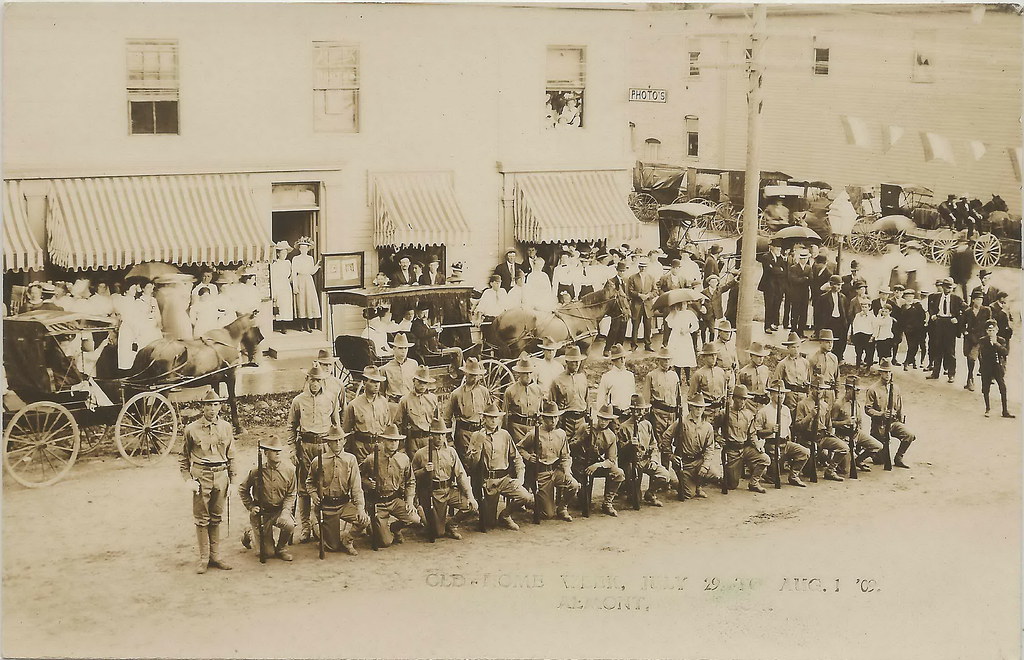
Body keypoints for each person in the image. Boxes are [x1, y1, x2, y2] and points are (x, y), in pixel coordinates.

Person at [179, 390, 237, 573]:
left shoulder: (226, 427)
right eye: (208, 405)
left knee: (216, 517)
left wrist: (233, 481)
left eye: (215, 405)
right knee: (202, 518)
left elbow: (232, 456)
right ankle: (204, 558)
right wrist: (188, 479)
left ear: (220, 406)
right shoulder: (191, 429)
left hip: (221, 475)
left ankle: (216, 556)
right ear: (202, 406)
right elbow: (183, 459)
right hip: (201, 475)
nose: (212, 409)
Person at [288, 365, 342, 542]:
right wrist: (292, 450)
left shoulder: (331, 398)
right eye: (312, 380)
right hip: (305, 446)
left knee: (323, 486)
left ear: (322, 381)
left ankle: (322, 524)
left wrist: (338, 448)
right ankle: (305, 527)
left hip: (324, 446)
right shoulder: (298, 401)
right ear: (307, 380)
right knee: (304, 489)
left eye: (318, 380)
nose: (315, 383)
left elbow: (337, 425)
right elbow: (291, 427)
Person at [463, 403, 535, 531]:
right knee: (489, 524)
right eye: (490, 417)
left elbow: (517, 457)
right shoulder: (476, 436)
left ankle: (505, 515)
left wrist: (520, 477)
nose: (493, 420)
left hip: (504, 479)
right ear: (484, 418)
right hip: (488, 482)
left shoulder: (505, 435)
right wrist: (478, 444)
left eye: (496, 417)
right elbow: (471, 464)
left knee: (526, 497)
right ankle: (487, 514)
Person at [306, 426, 370, 555]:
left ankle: (348, 540)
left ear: (344, 441)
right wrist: (313, 494)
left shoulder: (350, 460)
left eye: (340, 440)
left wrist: (360, 508)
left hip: (344, 503)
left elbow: (356, 487)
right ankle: (317, 526)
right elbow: (309, 482)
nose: (337, 443)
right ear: (328, 442)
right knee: (332, 547)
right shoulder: (318, 461)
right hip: (326, 506)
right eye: (334, 441)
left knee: (364, 520)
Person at [411, 418, 479, 540]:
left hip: (449, 490)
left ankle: (452, 524)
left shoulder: (451, 452)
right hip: (433, 494)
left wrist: (470, 496)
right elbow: (411, 476)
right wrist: (424, 471)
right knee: (438, 533)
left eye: (443, 434)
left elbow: (461, 475)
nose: (440, 438)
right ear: (431, 435)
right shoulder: (421, 454)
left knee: (470, 506)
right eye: (437, 434)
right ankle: (424, 516)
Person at [359, 424, 421, 546]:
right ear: (383, 441)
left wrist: (409, 501)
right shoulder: (371, 459)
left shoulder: (403, 459)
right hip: (378, 503)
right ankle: (375, 527)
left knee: (415, 519)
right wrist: (367, 483)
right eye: (390, 440)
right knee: (385, 542)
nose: (393, 443)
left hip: (394, 500)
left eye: (396, 441)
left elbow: (410, 481)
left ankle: (395, 528)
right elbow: (358, 477)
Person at [519, 401, 580, 522]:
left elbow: (566, 456)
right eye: (550, 418)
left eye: (556, 417)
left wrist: (567, 472)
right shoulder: (534, 433)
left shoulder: (561, 434)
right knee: (548, 514)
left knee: (574, 485)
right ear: (543, 418)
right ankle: (532, 501)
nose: (553, 421)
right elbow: (519, 448)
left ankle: (562, 507)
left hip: (556, 471)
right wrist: (528, 456)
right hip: (541, 475)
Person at [238, 437, 297, 562]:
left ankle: (281, 548)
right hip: (262, 514)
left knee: (290, 524)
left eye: (279, 451)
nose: (278, 453)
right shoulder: (256, 472)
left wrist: (286, 511)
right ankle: (249, 533)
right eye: (274, 451)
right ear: (266, 453)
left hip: (278, 511)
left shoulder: (289, 471)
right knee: (266, 553)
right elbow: (243, 489)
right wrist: (251, 507)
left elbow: (291, 494)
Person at [570, 404, 625, 516]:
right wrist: (582, 438)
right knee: (584, 503)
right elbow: (570, 447)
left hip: (596, 466)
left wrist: (597, 465)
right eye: (601, 418)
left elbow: (611, 460)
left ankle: (607, 503)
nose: (603, 421)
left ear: (610, 421)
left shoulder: (611, 436)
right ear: (597, 417)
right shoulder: (585, 427)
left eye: (606, 419)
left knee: (618, 473)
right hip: (580, 466)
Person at [751, 381, 809, 487]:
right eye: (778, 393)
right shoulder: (764, 411)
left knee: (804, 452)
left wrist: (790, 442)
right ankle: (766, 473)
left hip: (785, 443)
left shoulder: (786, 410)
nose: (781, 396)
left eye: (783, 393)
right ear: (771, 394)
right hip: (771, 444)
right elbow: (757, 432)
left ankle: (794, 476)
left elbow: (788, 427)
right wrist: (770, 430)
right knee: (773, 474)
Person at [619, 394, 672, 506]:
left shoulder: (647, 425)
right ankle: (629, 490)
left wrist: (653, 460)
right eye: (636, 411)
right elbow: (619, 451)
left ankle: (650, 493)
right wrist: (629, 444)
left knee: (664, 475)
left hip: (646, 460)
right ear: (631, 411)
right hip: (631, 462)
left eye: (642, 410)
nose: (640, 414)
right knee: (635, 501)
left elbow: (653, 444)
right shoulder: (624, 427)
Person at [794, 377, 848, 482]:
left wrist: (828, 440)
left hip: (822, 437)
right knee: (808, 471)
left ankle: (830, 470)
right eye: (817, 389)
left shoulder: (825, 405)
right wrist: (810, 416)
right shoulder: (802, 404)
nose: (819, 391)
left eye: (821, 389)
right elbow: (798, 426)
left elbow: (829, 424)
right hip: (808, 439)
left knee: (844, 448)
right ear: (811, 388)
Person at [721, 385, 771, 493]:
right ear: (734, 398)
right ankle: (717, 478)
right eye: (740, 398)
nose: (742, 401)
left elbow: (752, 433)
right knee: (732, 485)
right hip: (732, 451)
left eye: (744, 399)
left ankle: (754, 483)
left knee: (765, 459)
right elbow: (714, 428)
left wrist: (757, 445)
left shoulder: (748, 415)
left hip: (745, 449)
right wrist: (718, 438)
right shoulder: (725, 413)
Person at [665, 393, 713, 500]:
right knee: (687, 495)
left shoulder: (707, 426)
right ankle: (676, 483)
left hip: (698, 461)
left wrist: (705, 465)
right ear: (691, 407)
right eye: (696, 406)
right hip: (684, 463)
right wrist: (670, 456)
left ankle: (699, 486)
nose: (698, 410)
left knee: (714, 475)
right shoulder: (681, 422)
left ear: (704, 408)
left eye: (701, 407)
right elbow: (666, 437)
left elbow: (710, 448)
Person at [831, 376, 884, 472]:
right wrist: (844, 423)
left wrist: (859, 442)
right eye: (856, 390)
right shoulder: (838, 404)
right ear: (848, 389)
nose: (858, 393)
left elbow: (859, 422)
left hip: (856, 433)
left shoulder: (857, 403)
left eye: (858, 390)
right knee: (845, 470)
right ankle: (836, 462)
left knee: (878, 446)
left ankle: (858, 460)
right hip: (843, 436)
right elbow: (831, 423)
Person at [444, 357, 491, 460]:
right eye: (471, 375)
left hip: (480, 434)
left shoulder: (484, 392)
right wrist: (449, 440)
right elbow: (446, 419)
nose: (474, 378)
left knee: (481, 463)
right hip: (463, 435)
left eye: (476, 375)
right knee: (466, 463)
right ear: (465, 374)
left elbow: (490, 413)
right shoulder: (456, 394)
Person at [341, 366, 391, 463]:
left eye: (378, 382)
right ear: (364, 383)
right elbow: (346, 431)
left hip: (380, 446)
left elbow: (388, 426)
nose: (376, 385)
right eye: (372, 381)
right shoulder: (354, 405)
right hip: (362, 448)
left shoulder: (384, 402)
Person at [644, 347, 682, 466]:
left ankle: (667, 472)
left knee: (669, 442)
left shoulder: (674, 376)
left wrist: (679, 413)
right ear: (659, 360)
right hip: (658, 413)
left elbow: (678, 396)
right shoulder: (652, 375)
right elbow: (646, 399)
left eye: (668, 360)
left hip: (672, 413)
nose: (666, 362)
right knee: (659, 443)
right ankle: (659, 474)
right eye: (664, 360)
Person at [395, 366, 440, 457]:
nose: (422, 385)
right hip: (412, 441)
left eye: (425, 382)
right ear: (414, 381)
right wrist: (401, 447)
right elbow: (397, 424)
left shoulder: (433, 399)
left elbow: (438, 422)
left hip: (429, 439)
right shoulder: (405, 400)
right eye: (420, 382)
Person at [117, 282, 163, 371]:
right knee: (142, 348)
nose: (151, 289)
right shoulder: (137, 301)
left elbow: (157, 314)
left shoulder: (153, 300)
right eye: (148, 287)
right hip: (141, 326)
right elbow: (135, 317)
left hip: (150, 325)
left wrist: (158, 322)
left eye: (152, 287)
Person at [927, 277, 964, 383]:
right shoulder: (935, 297)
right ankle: (935, 373)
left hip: (950, 324)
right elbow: (931, 307)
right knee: (937, 348)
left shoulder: (957, 299)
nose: (949, 289)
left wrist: (957, 319)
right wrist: (933, 314)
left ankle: (951, 374)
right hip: (939, 323)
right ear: (942, 287)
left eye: (950, 288)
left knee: (950, 350)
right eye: (947, 287)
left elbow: (965, 310)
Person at [503, 354, 544, 448]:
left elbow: (541, 413)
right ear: (519, 373)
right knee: (518, 455)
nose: (528, 376)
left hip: (534, 429)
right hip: (517, 429)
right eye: (525, 373)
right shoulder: (510, 391)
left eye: (530, 372)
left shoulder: (538, 390)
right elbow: (505, 416)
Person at [549, 344, 589, 438]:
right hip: (565, 421)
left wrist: (588, 417)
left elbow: (587, 399)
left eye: (578, 361)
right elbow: (551, 403)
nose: (576, 364)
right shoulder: (557, 380)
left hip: (581, 420)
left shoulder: (583, 378)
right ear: (567, 362)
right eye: (573, 362)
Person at [979, 320, 1013, 418]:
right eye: (989, 330)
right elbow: (983, 354)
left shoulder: (1001, 340)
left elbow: (1005, 352)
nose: (991, 332)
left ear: (997, 330)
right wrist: (991, 344)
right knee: (986, 388)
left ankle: (1005, 411)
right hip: (986, 367)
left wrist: (996, 344)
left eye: (993, 330)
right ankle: (987, 408)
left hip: (997, 367)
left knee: (1002, 387)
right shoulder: (983, 340)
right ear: (986, 331)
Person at [960, 291, 991, 392]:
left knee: (983, 360)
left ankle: (985, 382)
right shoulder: (968, 311)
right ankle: (970, 379)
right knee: (970, 360)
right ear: (973, 300)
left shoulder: (986, 310)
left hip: (982, 338)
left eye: (981, 299)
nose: (979, 301)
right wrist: (965, 333)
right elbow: (962, 324)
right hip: (970, 338)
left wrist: (989, 335)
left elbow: (990, 324)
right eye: (977, 299)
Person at [773, 333, 811, 410]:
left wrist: (808, 394)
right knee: (790, 415)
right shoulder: (783, 364)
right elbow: (776, 382)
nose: (796, 350)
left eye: (798, 347)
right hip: (790, 395)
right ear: (788, 348)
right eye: (793, 347)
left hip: (802, 394)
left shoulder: (805, 363)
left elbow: (808, 380)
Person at [626, 258, 657, 352]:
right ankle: (633, 345)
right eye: (641, 267)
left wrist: (648, 295)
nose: (643, 268)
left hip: (648, 305)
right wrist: (639, 295)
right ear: (638, 267)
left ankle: (648, 344)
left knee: (648, 326)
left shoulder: (651, 277)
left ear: (647, 267)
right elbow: (630, 291)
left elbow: (655, 291)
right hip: (636, 305)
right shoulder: (632, 277)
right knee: (635, 326)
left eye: (644, 267)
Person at [596, 344, 637, 414]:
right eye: (619, 358)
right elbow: (601, 399)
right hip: (614, 413)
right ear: (613, 361)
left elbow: (633, 395)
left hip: (628, 412)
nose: (622, 360)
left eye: (624, 358)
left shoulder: (630, 375)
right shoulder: (607, 376)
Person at [292, 237, 321, 332]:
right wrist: (295, 286)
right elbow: (294, 272)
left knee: (308, 301)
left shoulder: (310, 258)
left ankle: (308, 325)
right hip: (300, 280)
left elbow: (311, 271)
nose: (303, 250)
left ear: (308, 249)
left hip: (308, 281)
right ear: (299, 249)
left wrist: (317, 265)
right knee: (301, 302)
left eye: (305, 248)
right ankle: (301, 324)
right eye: (301, 248)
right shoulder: (296, 259)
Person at [664, 302, 699, 380]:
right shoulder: (673, 313)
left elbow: (696, 326)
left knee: (686, 356)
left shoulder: (689, 313)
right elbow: (669, 324)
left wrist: (688, 330)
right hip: (676, 337)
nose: (684, 305)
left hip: (685, 337)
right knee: (677, 357)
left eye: (685, 303)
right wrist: (675, 314)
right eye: (682, 304)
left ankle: (687, 378)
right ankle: (678, 377)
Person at [382, 333, 419, 403]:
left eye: (405, 348)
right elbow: (381, 391)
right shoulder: (386, 368)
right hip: (394, 402)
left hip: (410, 401)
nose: (403, 351)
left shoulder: (413, 364)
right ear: (394, 349)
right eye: (400, 348)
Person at [758, 243, 786, 334]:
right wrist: (779, 269)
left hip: (778, 286)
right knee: (769, 306)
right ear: (771, 247)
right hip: (768, 286)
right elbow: (769, 270)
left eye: (779, 247)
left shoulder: (780, 257)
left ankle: (773, 324)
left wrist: (777, 269)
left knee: (776, 305)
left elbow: (784, 270)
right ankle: (767, 326)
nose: (779, 249)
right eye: (777, 247)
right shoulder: (766, 257)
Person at [603, 262, 630, 355]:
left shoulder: (627, 280)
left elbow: (629, 293)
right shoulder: (611, 281)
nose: (622, 273)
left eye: (623, 271)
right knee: (614, 329)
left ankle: (619, 348)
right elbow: (606, 295)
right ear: (617, 271)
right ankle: (607, 348)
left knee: (623, 329)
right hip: (616, 309)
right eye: (620, 271)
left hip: (625, 308)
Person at [737, 342, 771, 410]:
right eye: (758, 356)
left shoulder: (765, 370)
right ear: (751, 356)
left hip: (762, 404)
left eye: (762, 356)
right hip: (749, 404)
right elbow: (739, 391)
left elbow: (768, 388)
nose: (761, 359)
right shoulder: (744, 372)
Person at [786, 248, 812, 336]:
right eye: (802, 259)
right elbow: (793, 279)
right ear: (799, 259)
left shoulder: (809, 268)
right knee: (795, 311)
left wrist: (803, 280)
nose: (804, 260)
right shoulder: (793, 268)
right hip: (796, 293)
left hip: (805, 293)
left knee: (803, 312)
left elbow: (811, 279)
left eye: (805, 259)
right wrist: (804, 279)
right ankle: (793, 330)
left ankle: (801, 330)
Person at [270, 241, 295, 330]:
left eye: (285, 253)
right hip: (278, 284)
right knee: (279, 304)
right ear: (278, 254)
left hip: (286, 284)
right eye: (282, 253)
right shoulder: (275, 264)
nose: (284, 255)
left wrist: (290, 280)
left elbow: (292, 274)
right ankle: (280, 325)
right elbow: (273, 277)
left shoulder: (288, 263)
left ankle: (285, 324)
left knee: (286, 304)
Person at [850, 300, 875, 367]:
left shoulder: (872, 316)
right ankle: (857, 367)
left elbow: (875, 327)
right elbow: (854, 325)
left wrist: (872, 337)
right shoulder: (858, 315)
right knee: (858, 352)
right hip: (859, 336)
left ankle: (868, 368)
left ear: (869, 307)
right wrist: (855, 335)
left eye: (865, 307)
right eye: (863, 307)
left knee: (869, 352)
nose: (864, 309)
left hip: (868, 336)